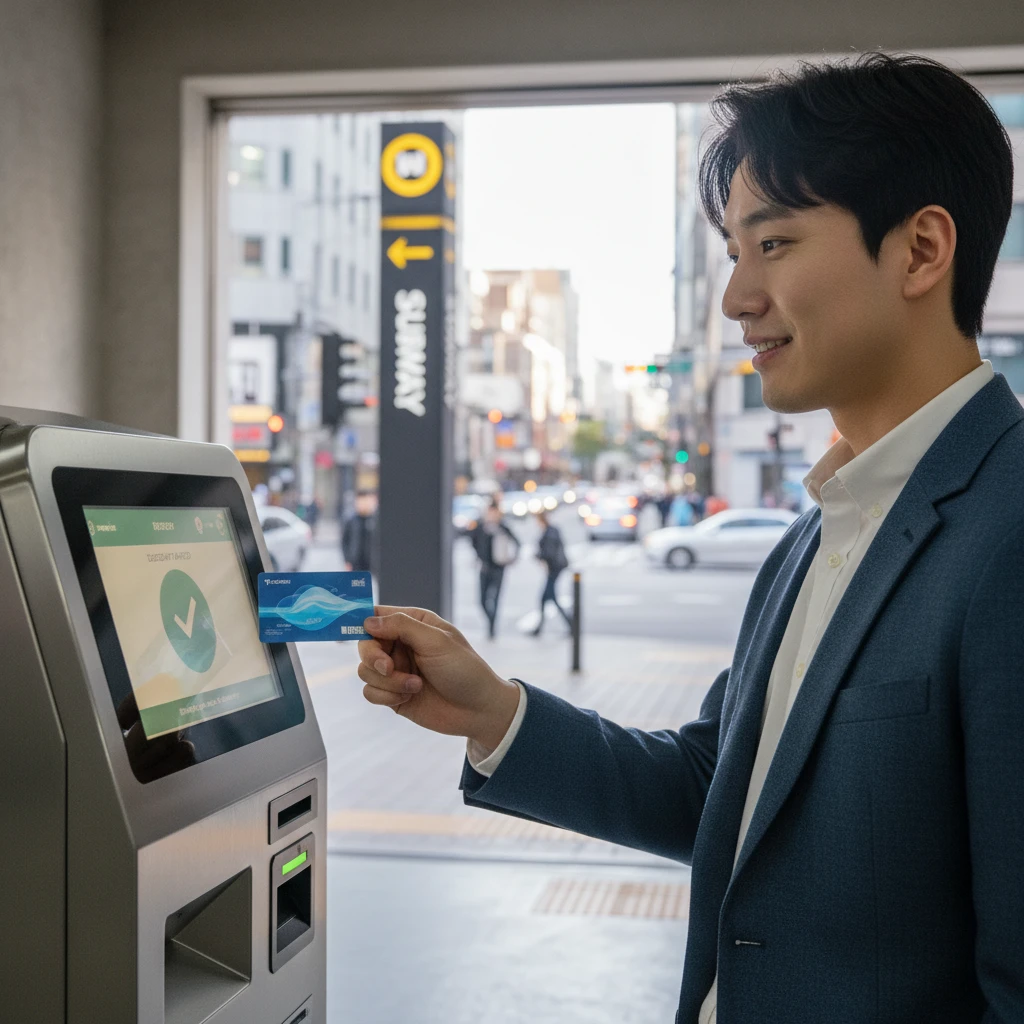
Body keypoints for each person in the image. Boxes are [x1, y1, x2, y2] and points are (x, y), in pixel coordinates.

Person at [355, 53, 1020, 1023]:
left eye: (775, 244)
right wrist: (495, 712)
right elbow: (721, 788)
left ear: (920, 250)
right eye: (731, 252)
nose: (736, 298)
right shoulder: (815, 534)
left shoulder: (1007, 535)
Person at [469, 501, 519, 639]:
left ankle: (492, 628)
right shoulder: (481, 527)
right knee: (482, 600)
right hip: (485, 568)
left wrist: (512, 558)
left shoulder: (503, 527)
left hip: (498, 568)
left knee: (495, 598)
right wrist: (479, 555)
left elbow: (516, 542)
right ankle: (490, 620)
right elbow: (472, 540)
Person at [530, 510, 572, 636]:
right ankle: (540, 627)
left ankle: (570, 624)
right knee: (545, 599)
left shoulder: (549, 532)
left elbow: (548, 552)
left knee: (550, 598)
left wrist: (538, 555)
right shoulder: (552, 530)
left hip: (554, 569)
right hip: (555, 568)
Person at [341, 490, 377, 573]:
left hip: (371, 562)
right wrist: (347, 560)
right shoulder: (351, 520)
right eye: (360, 502)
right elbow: (344, 541)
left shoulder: (374, 520)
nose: (363, 504)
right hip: (356, 561)